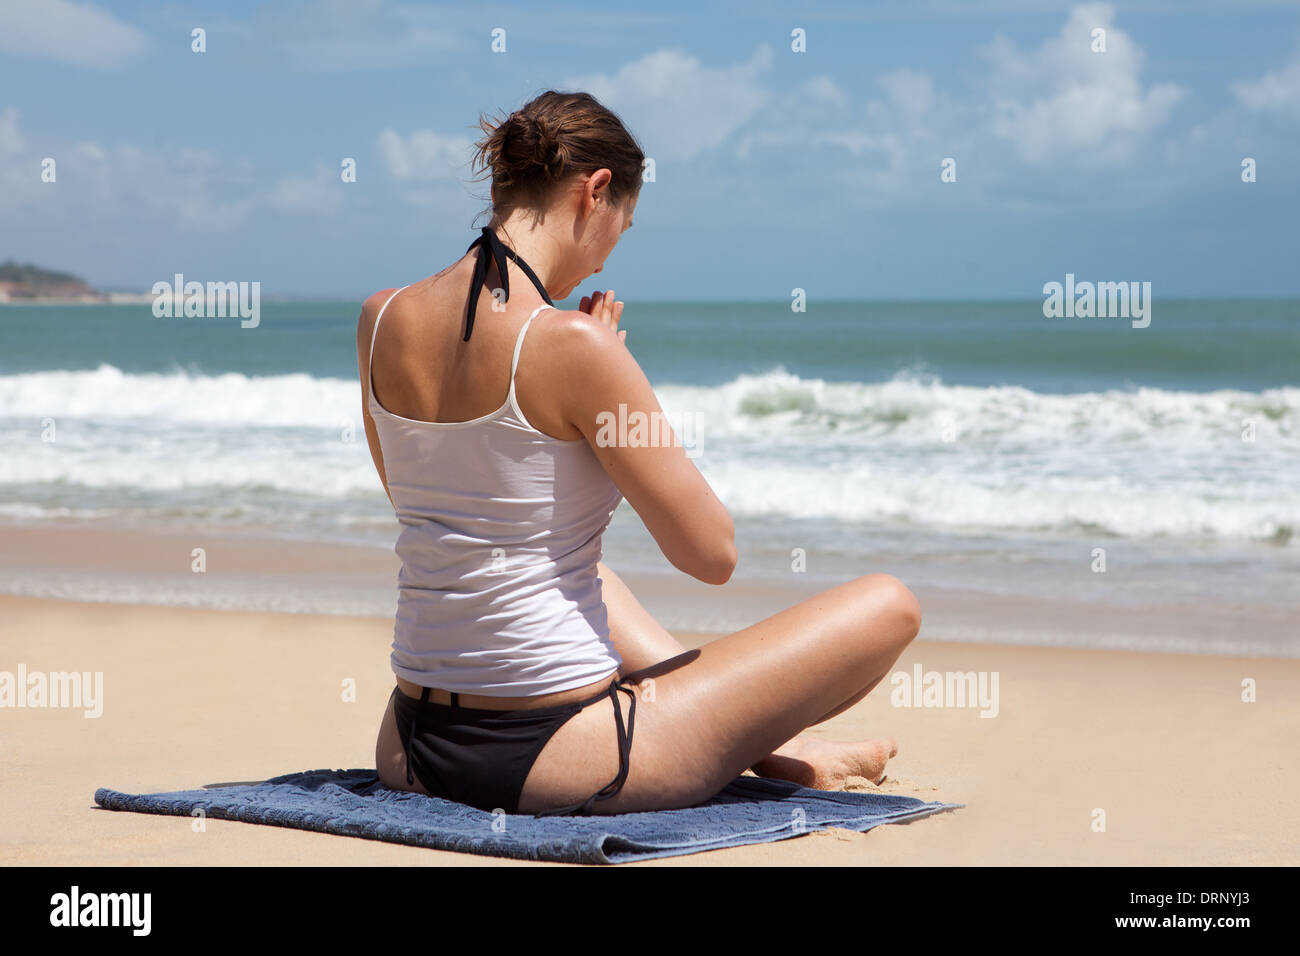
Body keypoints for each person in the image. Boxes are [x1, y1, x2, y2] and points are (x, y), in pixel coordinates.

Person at [358, 89, 921, 817]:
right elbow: (711, 554)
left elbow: (438, 511)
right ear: (595, 194)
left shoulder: (380, 318)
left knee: (581, 573)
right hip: (558, 757)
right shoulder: (576, 345)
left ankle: (777, 757)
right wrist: (610, 397)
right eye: (618, 232)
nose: (598, 267)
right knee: (891, 605)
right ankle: (758, 748)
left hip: (410, 749)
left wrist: (585, 408)